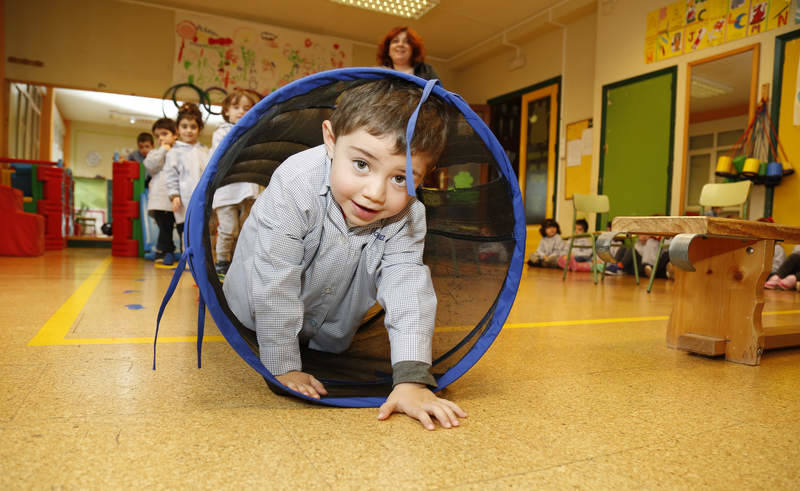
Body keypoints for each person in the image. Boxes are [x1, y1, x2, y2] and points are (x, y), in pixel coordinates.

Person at [222, 79, 466, 430]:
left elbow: (407, 287)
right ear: (331, 140)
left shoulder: (408, 214)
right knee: (275, 290)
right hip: (253, 315)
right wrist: (283, 365)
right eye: (362, 165)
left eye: (401, 178)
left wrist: (412, 379)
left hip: (329, 331)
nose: (375, 193)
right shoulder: (296, 183)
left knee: (398, 281)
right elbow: (275, 276)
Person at [211, 90, 262, 275]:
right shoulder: (221, 133)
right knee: (228, 229)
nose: (241, 111)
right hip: (227, 190)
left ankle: (239, 262)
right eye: (236, 107)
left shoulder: (253, 132)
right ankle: (222, 261)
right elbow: (221, 156)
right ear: (226, 111)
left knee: (246, 229)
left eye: (246, 108)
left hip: (247, 189)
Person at [165, 103, 210, 263]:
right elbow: (170, 176)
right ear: (177, 129)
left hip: (202, 199)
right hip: (184, 199)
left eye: (193, 126)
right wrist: (174, 195)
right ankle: (188, 262)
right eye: (184, 126)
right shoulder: (174, 152)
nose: (189, 130)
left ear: (199, 129)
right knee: (186, 231)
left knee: (203, 232)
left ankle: (201, 262)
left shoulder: (204, 151)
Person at [143, 118, 178, 261]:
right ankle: (163, 251)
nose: (160, 138)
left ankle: (168, 250)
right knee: (165, 226)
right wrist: (164, 149)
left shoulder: (179, 151)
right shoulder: (155, 153)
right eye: (157, 136)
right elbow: (151, 165)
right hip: (160, 200)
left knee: (172, 226)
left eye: (164, 134)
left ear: (175, 135)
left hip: (174, 199)